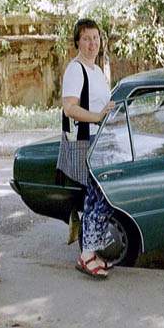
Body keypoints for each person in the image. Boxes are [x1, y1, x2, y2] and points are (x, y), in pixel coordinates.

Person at [56, 18, 115, 278]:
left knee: (103, 197)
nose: (92, 43)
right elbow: (69, 107)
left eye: (95, 38)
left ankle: (92, 249)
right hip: (86, 141)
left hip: (99, 140)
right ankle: (86, 254)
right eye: (86, 38)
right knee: (95, 197)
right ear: (77, 42)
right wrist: (98, 117)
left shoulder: (97, 71)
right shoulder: (75, 70)